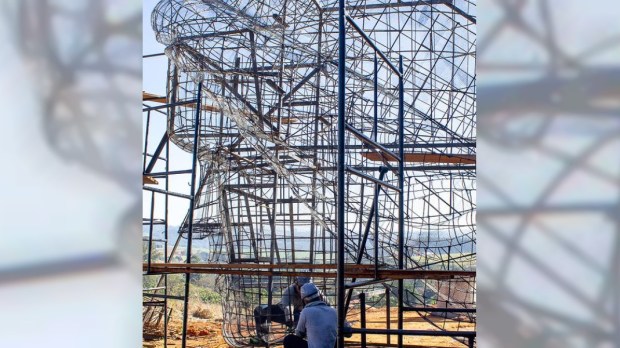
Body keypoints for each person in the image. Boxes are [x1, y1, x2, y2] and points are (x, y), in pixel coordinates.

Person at [283, 282, 338, 348]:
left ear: (305, 301)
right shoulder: (334, 311)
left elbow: (299, 334)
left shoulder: (306, 311)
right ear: (320, 296)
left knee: (288, 339)